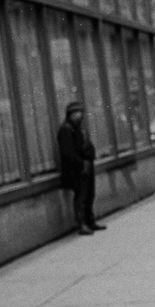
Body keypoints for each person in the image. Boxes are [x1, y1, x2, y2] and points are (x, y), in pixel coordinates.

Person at [56, 101, 105, 236]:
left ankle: (90, 221)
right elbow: (68, 152)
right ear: (70, 114)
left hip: (86, 165)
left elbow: (86, 145)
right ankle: (82, 223)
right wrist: (80, 162)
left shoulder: (79, 129)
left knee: (90, 194)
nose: (80, 116)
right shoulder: (65, 129)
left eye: (81, 113)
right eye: (76, 113)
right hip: (76, 169)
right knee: (81, 196)